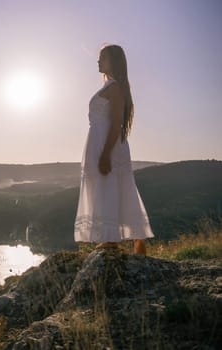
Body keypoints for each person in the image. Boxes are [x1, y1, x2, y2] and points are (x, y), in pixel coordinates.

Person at [73, 43, 154, 255]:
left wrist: (106, 153)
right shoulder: (110, 87)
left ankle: (111, 240)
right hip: (100, 141)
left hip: (107, 142)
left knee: (108, 185)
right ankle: (135, 240)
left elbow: (117, 121)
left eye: (102, 57)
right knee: (110, 186)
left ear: (113, 61)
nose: (98, 60)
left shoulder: (115, 87)